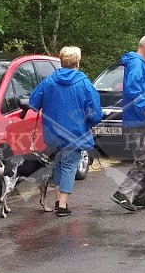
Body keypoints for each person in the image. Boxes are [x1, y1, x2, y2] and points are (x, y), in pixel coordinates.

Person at [29, 46, 103, 217]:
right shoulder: (85, 83)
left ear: (61, 62)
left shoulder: (48, 81)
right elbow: (96, 112)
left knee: (59, 164)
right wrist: (91, 122)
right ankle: (62, 205)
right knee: (69, 166)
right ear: (78, 62)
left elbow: (34, 102)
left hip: (53, 134)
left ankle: (58, 200)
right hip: (75, 133)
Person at [110, 34, 145, 212]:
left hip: (140, 118)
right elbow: (132, 89)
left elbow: (139, 88)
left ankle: (140, 198)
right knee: (144, 159)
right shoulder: (137, 63)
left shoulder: (139, 63)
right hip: (136, 119)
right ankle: (123, 192)